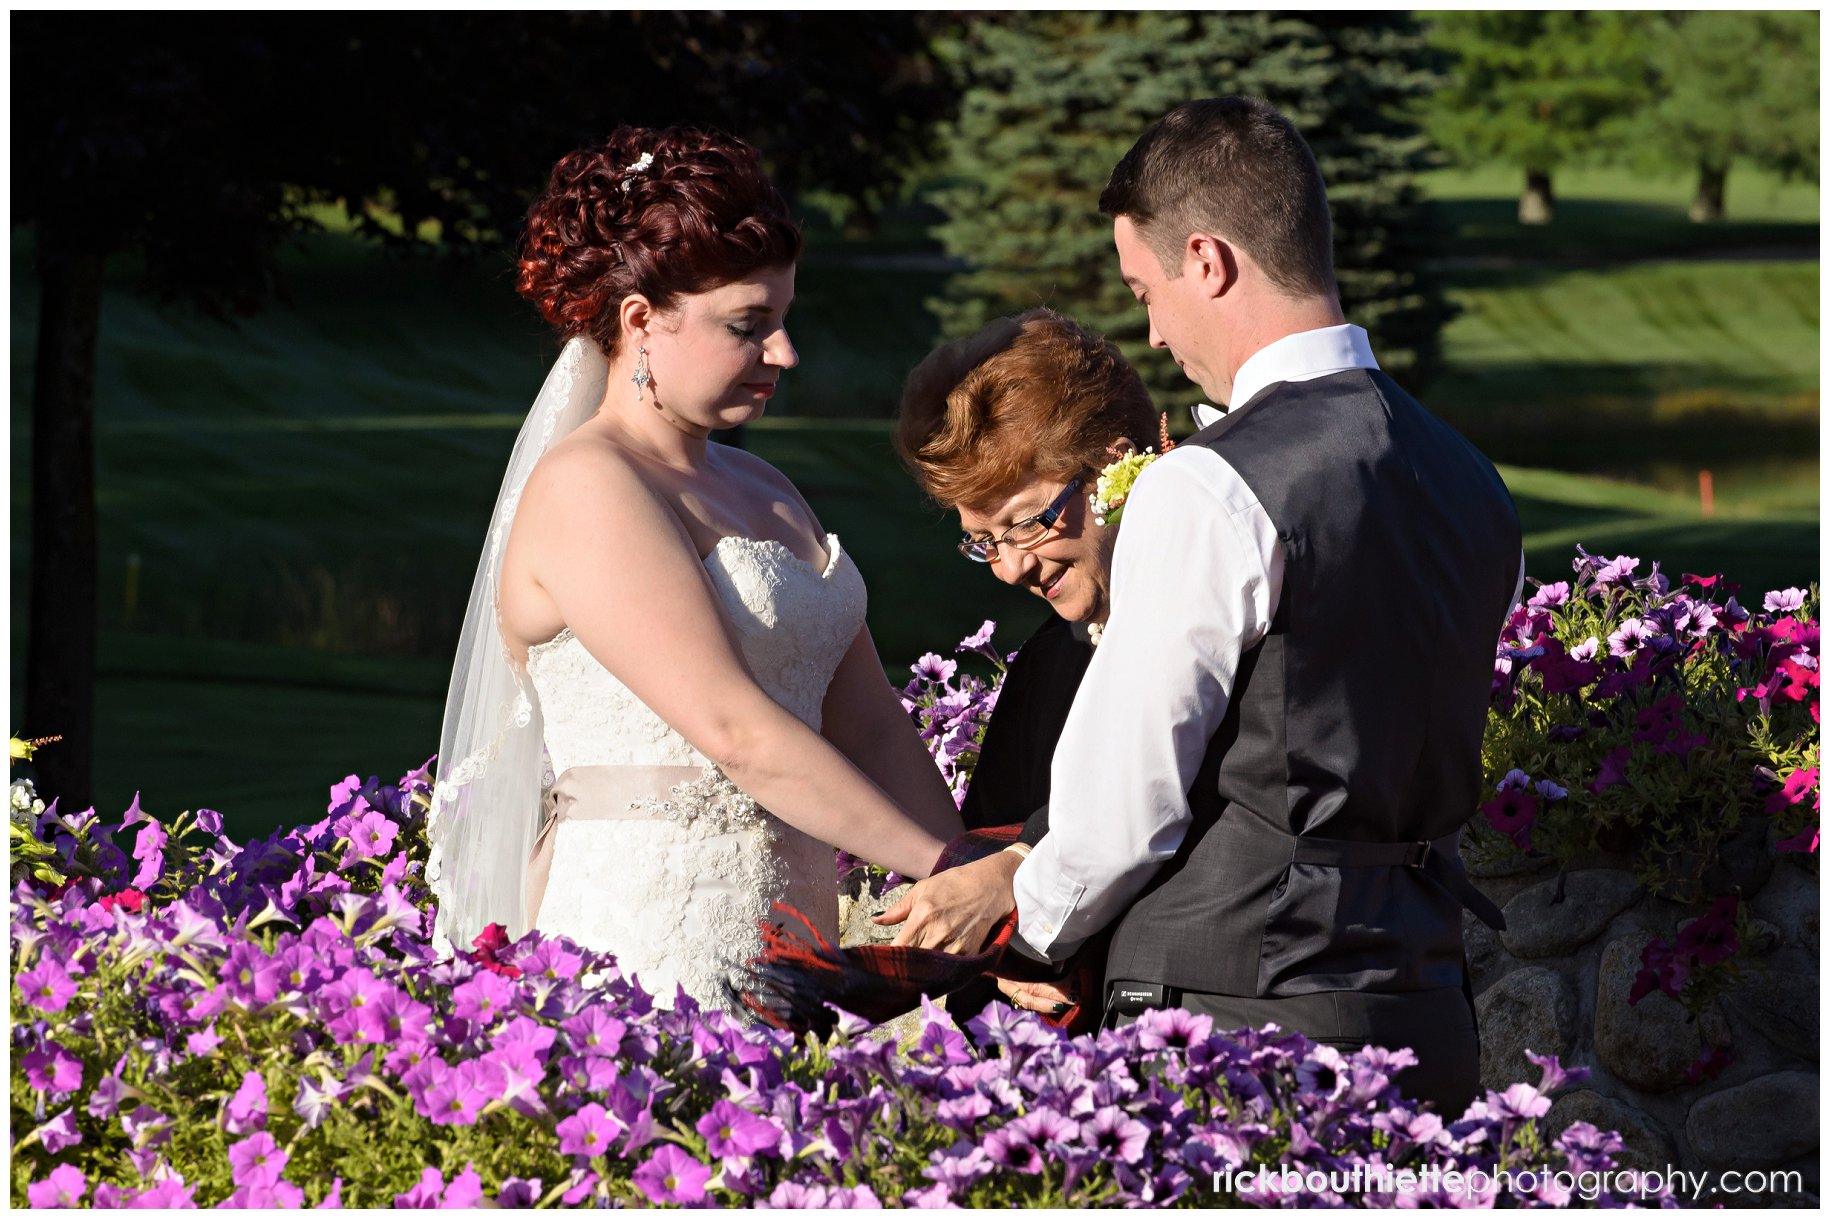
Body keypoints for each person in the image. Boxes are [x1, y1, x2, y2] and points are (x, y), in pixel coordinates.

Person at [888, 97, 1521, 1114]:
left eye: (1147, 289)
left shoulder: (1214, 485)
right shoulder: (1470, 480)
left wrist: (1034, 929)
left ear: (1209, 260)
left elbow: (1123, 806)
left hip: (1232, 1030)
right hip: (1423, 1013)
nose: (1152, 330)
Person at [429, 126, 961, 1013]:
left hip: (796, 938)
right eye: (748, 327)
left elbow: (867, 724)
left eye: (783, 321)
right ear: (641, 322)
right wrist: (949, 864)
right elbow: (734, 728)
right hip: (652, 934)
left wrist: (987, 900)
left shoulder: (768, 488)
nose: (784, 353)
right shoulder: (587, 489)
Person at [886, 307, 1161, 1024]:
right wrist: (1008, 960)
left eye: (1028, 522)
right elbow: (988, 854)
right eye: (983, 541)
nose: (1008, 568)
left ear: (1114, 463)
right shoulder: (1047, 664)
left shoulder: (1208, 631)